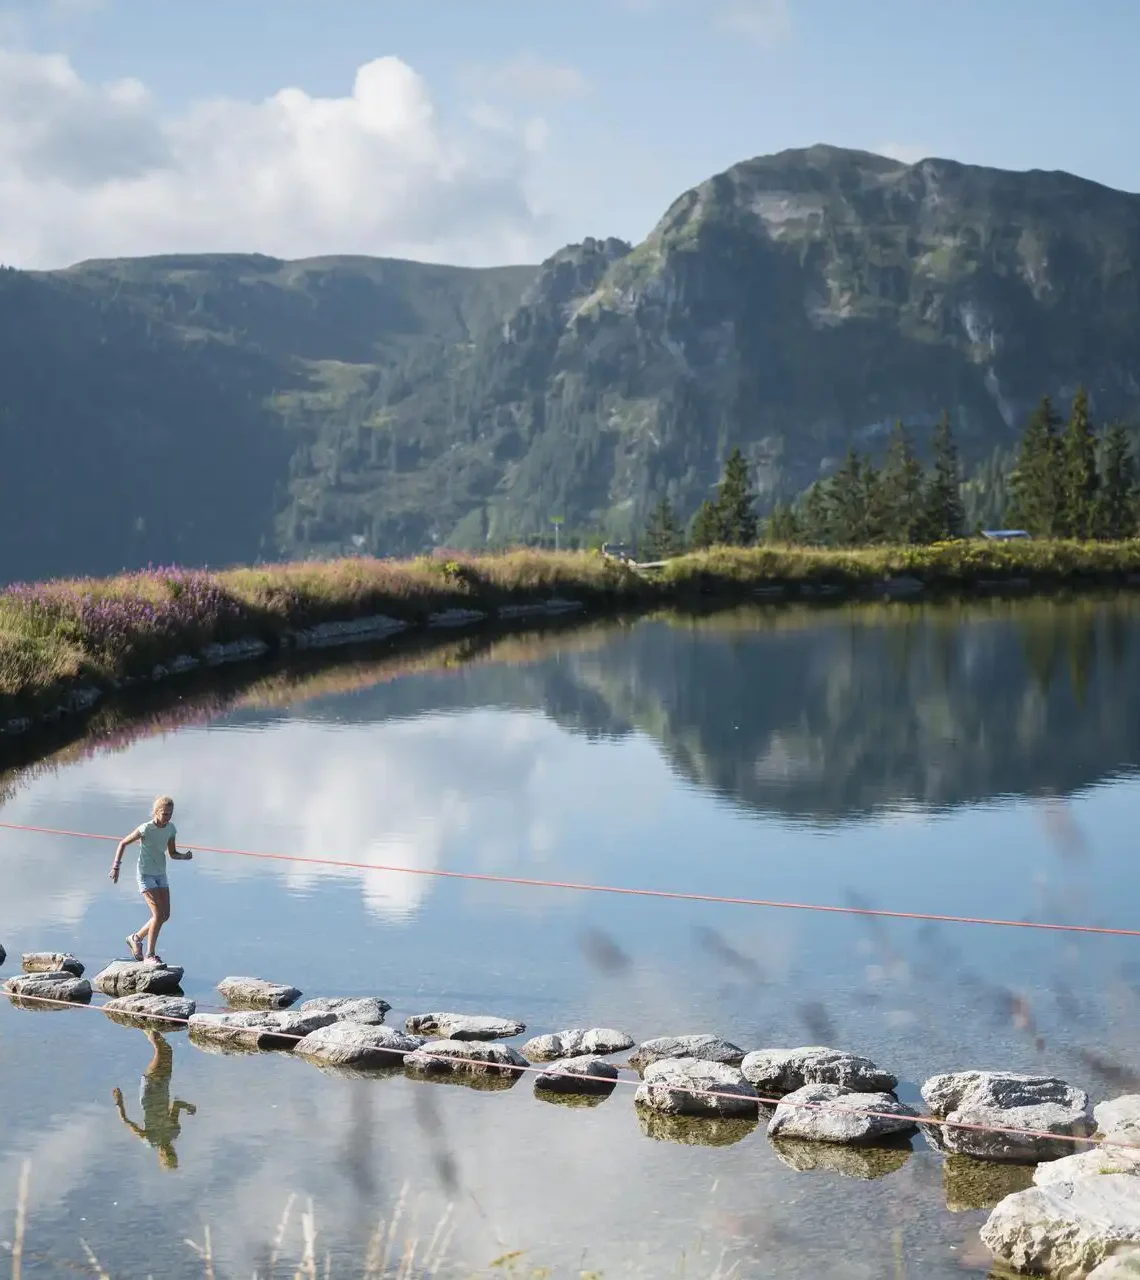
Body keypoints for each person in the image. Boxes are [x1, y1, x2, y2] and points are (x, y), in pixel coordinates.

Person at [109, 794, 192, 965]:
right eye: (164, 814)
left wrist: (184, 856)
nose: (167, 817)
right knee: (158, 914)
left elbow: (172, 853)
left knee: (165, 915)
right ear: (156, 812)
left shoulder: (171, 829)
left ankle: (136, 938)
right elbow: (123, 843)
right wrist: (116, 867)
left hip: (160, 873)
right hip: (145, 874)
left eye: (170, 814)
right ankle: (150, 955)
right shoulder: (145, 829)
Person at [113, 1029, 196, 1170]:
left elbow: (127, 1122)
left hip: (150, 1092)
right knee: (168, 1050)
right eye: (172, 1153)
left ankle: (145, 1025)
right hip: (163, 1087)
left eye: (167, 1155)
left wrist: (119, 1102)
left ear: (161, 1156)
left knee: (159, 1050)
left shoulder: (150, 1140)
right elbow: (175, 1105)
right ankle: (146, 1025)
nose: (168, 1151)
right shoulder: (174, 1131)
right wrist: (188, 1106)